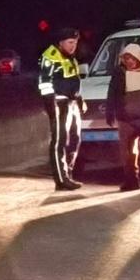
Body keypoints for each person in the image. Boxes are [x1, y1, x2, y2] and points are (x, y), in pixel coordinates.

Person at [38, 28, 84, 188]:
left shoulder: (70, 57)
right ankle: (61, 180)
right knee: (59, 141)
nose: (73, 46)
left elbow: (74, 78)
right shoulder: (50, 57)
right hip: (59, 103)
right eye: (70, 42)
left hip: (72, 103)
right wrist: (51, 105)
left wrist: (80, 100)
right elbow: (44, 83)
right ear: (61, 42)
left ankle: (67, 173)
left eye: (76, 43)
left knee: (75, 139)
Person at [109, 34, 140, 191]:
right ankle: (131, 181)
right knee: (127, 154)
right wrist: (111, 112)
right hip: (126, 120)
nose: (128, 61)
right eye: (126, 59)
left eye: (131, 58)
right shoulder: (120, 74)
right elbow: (112, 93)